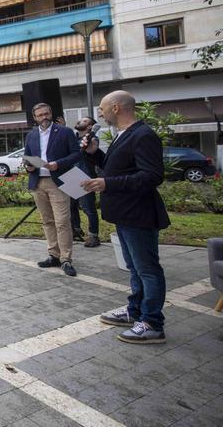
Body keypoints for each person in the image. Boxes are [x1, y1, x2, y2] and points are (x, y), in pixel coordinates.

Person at [81, 91, 170, 344]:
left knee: (148, 269)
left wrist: (107, 183)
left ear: (117, 107)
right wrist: (95, 153)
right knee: (134, 268)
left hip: (139, 213)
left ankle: (153, 323)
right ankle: (135, 311)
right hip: (124, 213)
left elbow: (152, 176)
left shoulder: (143, 135)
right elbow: (116, 168)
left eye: (102, 108)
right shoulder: (123, 134)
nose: (99, 113)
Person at [23, 103, 82, 277]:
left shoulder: (64, 132)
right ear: (35, 118)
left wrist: (59, 164)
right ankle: (53, 255)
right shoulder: (31, 135)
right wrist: (29, 167)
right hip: (38, 182)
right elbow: (27, 157)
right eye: (40, 115)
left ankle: (66, 259)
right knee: (47, 221)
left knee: (62, 221)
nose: (44, 117)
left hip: (57, 182)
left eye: (46, 114)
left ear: (51, 113)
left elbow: (76, 154)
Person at [70, 117, 100, 248]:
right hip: (72, 176)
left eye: (84, 121)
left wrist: (90, 135)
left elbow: (91, 151)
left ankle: (93, 236)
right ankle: (76, 229)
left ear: (89, 126)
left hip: (85, 177)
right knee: (71, 206)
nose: (79, 121)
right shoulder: (74, 138)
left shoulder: (93, 139)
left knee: (88, 209)